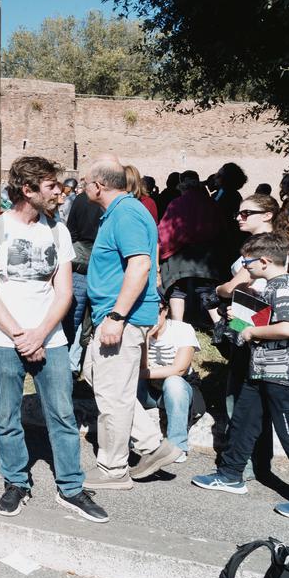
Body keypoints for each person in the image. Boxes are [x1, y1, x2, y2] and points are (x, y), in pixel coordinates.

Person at [0, 156, 108, 523]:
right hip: (4, 340)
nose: (61, 194)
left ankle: (71, 487)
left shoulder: (57, 231)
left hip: (50, 338)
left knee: (62, 413)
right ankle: (16, 482)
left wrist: (40, 334)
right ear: (28, 190)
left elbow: (64, 293)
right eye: (51, 187)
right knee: (8, 415)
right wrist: (19, 335)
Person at [81, 155, 181, 490]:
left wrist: (117, 317)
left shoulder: (125, 213)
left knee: (112, 395)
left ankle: (113, 469)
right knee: (100, 378)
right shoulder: (123, 211)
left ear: (98, 185)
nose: (82, 187)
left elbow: (139, 266)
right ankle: (153, 445)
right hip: (118, 316)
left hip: (120, 318)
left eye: (85, 181)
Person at [192, 233, 289, 517]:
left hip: (279, 374)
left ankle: (231, 473)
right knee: (244, 422)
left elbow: (286, 327)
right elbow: (265, 322)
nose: (244, 269)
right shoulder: (270, 288)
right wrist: (239, 319)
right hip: (259, 370)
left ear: (263, 260)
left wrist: (251, 330)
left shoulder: (283, 286)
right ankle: (230, 475)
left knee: (288, 433)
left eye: (247, 263)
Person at [214, 193, 280, 482]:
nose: (239, 217)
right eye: (239, 213)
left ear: (267, 215)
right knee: (247, 398)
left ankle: (246, 463)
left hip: (255, 328)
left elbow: (233, 287)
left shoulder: (267, 249)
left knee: (246, 399)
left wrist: (221, 289)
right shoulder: (255, 246)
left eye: (246, 213)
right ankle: (244, 464)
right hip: (245, 323)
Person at [138, 293, 201, 463]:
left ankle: (177, 447)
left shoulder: (182, 329)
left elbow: (179, 369)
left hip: (179, 391)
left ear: (165, 310)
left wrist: (142, 374)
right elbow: (142, 368)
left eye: (156, 312)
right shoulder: (138, 331)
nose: (152, 317)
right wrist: (145, 338)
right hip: (149, 391)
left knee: (173, 382)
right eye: (146, 312)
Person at [158, 172, 224, 327]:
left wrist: (162, 250)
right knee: (206, 289)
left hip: (180, 254)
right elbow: (221, 227)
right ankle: (218, 324)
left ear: (183, 189)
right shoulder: (211, 203)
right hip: (206, 254)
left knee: (177, 289)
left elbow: (166, 229)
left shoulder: (177, 203)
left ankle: (178, 325)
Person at [64, 178, 103, 374]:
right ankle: (77, 361)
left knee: (74, 316)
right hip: (101, 263)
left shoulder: (79, 199)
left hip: (79, 262)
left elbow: (71, 230)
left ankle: (70, 362)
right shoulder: (109, 201)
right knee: (90, 317)